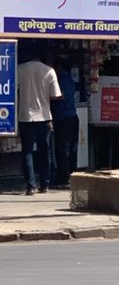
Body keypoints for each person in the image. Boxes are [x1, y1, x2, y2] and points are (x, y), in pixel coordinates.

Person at [18, 52, 62, 195]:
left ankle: (31, 186)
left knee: (27, 150)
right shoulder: (49, 71)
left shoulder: (20, 69)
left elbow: (13, 89)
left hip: (25, 116)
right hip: (44, 117)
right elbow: (56, 95)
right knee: (45, 151)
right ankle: (45, 184)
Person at [51, 58, 80, 188]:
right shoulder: (69, 79)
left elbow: (60, 96)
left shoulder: (61, 79)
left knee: (63, 149)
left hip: (63, 118)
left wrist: (46, 97)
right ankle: (72, 176)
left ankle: (64, 177)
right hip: (72, 117)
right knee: (72, 149)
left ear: (59, 67)